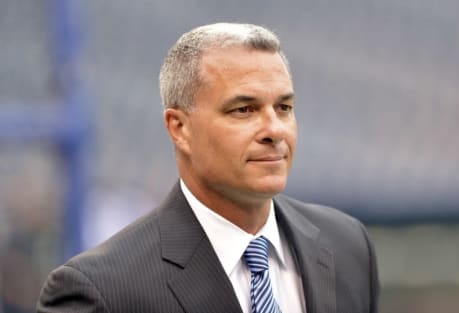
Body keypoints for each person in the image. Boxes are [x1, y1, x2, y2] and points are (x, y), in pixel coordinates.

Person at [37, 23, 379, 313]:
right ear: (179, 128)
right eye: (243, 110)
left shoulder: (347, 245)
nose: (275, 130)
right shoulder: (101, 290)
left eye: (284, 107)